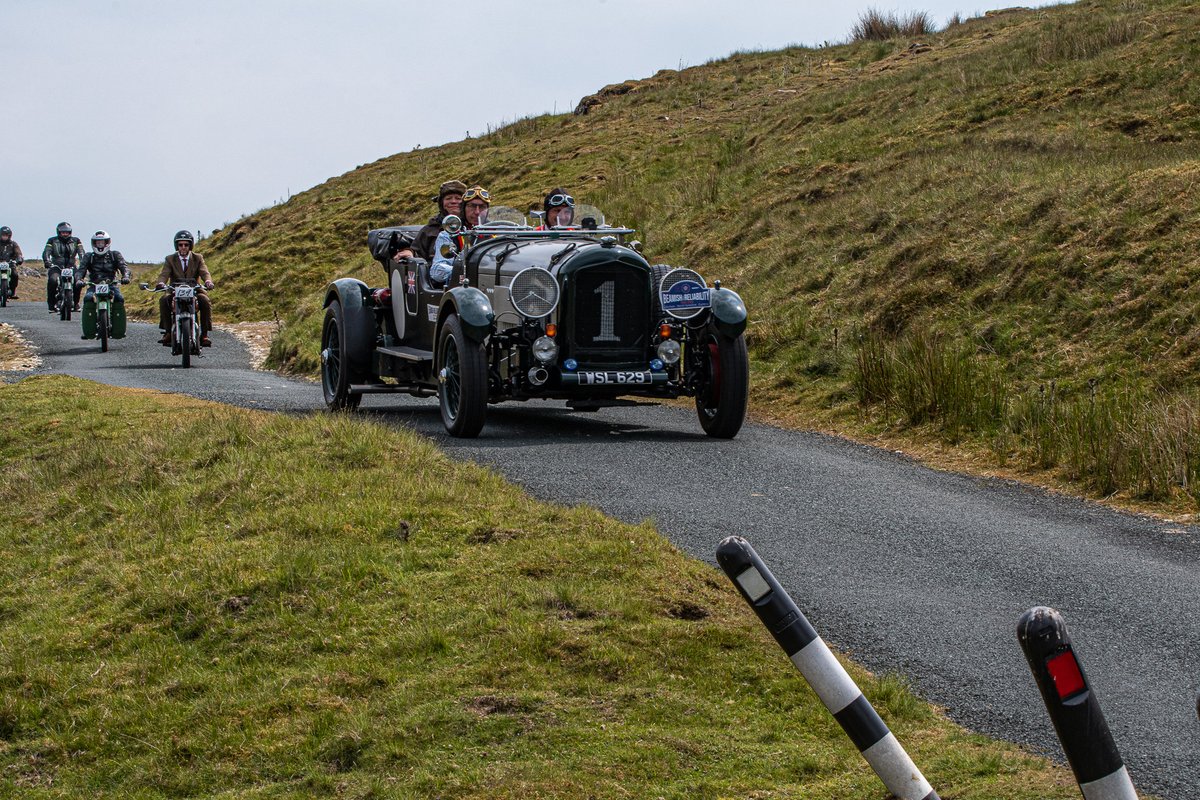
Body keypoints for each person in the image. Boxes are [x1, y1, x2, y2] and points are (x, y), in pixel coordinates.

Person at [156, 230, 214, 346]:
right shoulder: (170, 259)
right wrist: (161, 283)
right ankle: (168, 332)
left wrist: (208, 281)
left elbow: (204, 272)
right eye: (180, 245)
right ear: (176, 246)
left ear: (190, 246)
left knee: (205, 301)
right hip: (174, 290)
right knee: (163, 300)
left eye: (186, 245)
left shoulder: (198, 258)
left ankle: (204, 334)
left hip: (194, 289)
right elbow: (164, 274)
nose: (183, 247)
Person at [430, 185, 490, 286]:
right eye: (472, 206)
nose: (477, 212)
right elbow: (437, 270)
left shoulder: (497, 233)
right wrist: (468, 273)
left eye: (482, 207)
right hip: (463, 289)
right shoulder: (449, 235)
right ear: (463, 208)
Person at [398, 179, 467, 264]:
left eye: (458, 198)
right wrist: (410, 252)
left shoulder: (472, 226)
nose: (453, 201)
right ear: (442, 204)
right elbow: (417, 251)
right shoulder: (430, 229)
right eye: (448, 198)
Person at [79, 230, 131, 339]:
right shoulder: (88, 256)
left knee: (119, 298)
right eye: (98, 243)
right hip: (94, 284)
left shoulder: (115, 255)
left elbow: (124, 267)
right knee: (88, 298)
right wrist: (79, 279)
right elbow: (81, 270)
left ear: (107, 243)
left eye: (102, 242)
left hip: (111, 283)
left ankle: (119, 329)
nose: (100, 245)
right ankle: (89, 330)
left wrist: (126, 276)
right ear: (94, 243)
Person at [42, 221, 85, 311]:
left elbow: (81, 252)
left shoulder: (76, 240)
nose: (65, 234)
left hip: (71, 267)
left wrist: (83, 261)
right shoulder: (52, 240)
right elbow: (47, 251)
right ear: (58, 232)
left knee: (78, 282)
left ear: (70, 232)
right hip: (56, 267)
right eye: (63, 232)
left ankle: (76, 303)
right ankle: (51, 303)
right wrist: (47, 261)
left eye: (67, 232)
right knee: (52, 281)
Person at [0, 226, 23, 298]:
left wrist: (19, 258)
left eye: (6, 235)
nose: (4, 237)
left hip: (10, 264)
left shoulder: (13, 244)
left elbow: (18, 253)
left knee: (15, 274)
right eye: (3, 235)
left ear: (9, 236)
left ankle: (12, 291)